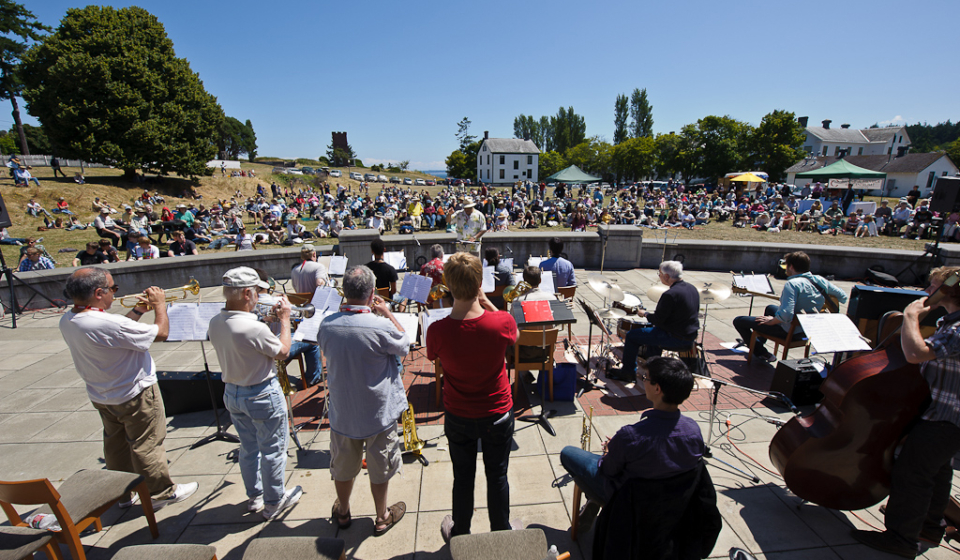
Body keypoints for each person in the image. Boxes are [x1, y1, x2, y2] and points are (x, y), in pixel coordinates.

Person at [59, 267, 198, 510]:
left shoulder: (69, 318)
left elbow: (115, 334)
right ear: (99, 292)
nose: (116, 293)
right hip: (134, 393)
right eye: (114, 289)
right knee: (147, 444)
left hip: (102, 394)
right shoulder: (104, 322)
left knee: (116, 445)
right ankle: (163, 492)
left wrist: (137, 311)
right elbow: (161, 333)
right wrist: (160, 306)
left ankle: (122, 494)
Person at [852, 266, 960, 557]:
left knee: (912, 475)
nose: (927, 290)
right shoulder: (951, 322)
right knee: (937, 472)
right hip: (946, 415)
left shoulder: (958, 328)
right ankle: (928, 528)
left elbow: (916, 354)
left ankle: (901, 539)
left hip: (945, 419)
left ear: (949, 289)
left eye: (933, 285)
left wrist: (911, 316)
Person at [425, 252, 519, 542]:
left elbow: (434, 356)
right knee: (497, 474)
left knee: (462, 477)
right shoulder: (501, 321)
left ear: (447, 285)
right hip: (497, 412)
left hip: (459, 414)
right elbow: (513, 336)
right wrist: (486, 300)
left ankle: (461, 532)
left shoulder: (436, 330)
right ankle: (500, 531)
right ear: (480, 282)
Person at [560, 357, 704, 533]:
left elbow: (608, 470)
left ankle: (595, 500)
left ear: (657, 388)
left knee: (568, 454)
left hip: (630, 501)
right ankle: (593, 501)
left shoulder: (630, 436)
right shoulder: (694, 431)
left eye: (646, 379)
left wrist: (610, 451)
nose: (643, 382)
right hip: (673, 502)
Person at [319, 265, 410, 536]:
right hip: (377, 411)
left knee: (344, 464)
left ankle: (344, 511)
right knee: (380, 465)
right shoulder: (380, 325)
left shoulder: (326, 325)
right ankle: (381, 516)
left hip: (343, 410)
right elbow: (404, 345)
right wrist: (387, 313)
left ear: (344, 293)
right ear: (372, 294)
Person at [207, 267, 303, 520]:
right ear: (247, 293)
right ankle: (274, 501)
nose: (260, 297)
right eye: (259, 292)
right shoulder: (251, 328)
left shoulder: (216, 321)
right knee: (273, 450)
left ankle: (255, 496)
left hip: (232, 392)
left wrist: (264, 321)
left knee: (249, 449)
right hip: (261, 393)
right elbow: (283, 352)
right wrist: (284, 320)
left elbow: (244, 339)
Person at [732, 251, 847, 363]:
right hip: (807, 330)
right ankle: (758, 343)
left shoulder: (792, 284)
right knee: (770, 308)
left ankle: (761, 353)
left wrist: (772, 321)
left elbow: (786, 315)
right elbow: (843, 296)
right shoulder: (819, 280)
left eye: (786, 265)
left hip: (791, 330)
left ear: (791, 267)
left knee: (739, 321)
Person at [608, 261, 700, 383]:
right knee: (651, 332)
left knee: (631, 336)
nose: (659, 276)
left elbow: (658, 319)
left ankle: (628, 373)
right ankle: (653, 369)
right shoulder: (692, 288)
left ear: (666, 276)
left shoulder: (670, 294)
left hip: (675, 337)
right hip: (690, 335)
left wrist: (644, 314)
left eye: (659, 274)